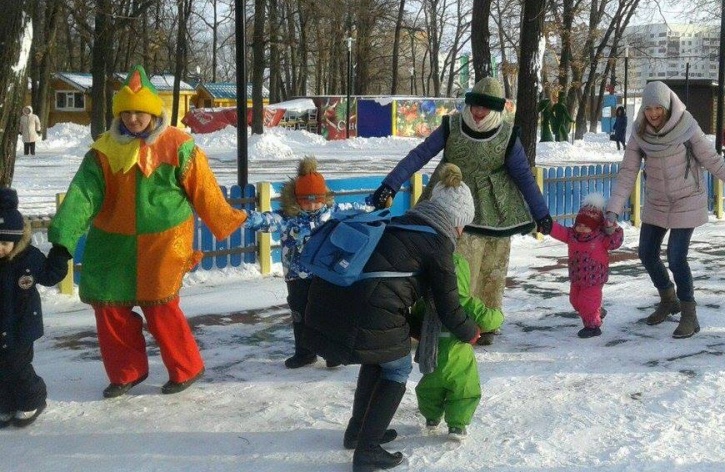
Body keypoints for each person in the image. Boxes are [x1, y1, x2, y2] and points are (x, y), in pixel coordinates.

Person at [48, 65, 247, 398]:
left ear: (154, 113)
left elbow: (204, 190)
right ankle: (127, 371)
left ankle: (187, 366)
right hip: (112, 240)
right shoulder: (103, 150)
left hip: (164, 238)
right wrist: (63, 240)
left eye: (140, 112)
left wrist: (227, 219)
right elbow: (83, 194)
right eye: (126, 113)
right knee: (109, 306)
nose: (133, 119)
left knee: (160, 306)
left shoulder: (179, 145)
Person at [303, 163, 480, 472]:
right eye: (463, 225)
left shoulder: (402, 222)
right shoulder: (437, 244)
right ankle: (368, 449)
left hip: (338, 300)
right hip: (368, 307)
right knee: (397, 367)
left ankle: (359, 431)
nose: (461, 233)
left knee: (380, 359)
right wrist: (469, 332)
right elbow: (448, 306)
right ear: (455, 221)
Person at [368, 77, 551, 345]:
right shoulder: (452, 126)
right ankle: (441, 318)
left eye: (485, 108)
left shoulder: (507, 134)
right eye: (475, 105)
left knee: (491, 268)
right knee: (454, 265)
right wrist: (390, 184)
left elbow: (523, 174)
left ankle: (486, 323)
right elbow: (420, 154)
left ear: (496, 110)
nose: (478, 112)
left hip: (495, 208)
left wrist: (541, 212)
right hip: (451, 203)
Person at [607, 81, 725, 338]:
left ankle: (689, 314)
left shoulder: (688, 127)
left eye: (658, 108)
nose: (653, 114)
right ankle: (668, 299)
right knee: (647, 253)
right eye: (648, 108)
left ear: (668, 106)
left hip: (687, 199)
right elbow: (628, 172)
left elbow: (713, 161)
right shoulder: (640, 132)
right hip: (658, 200)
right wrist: (613, 210)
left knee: (676, 256)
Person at [245, 155, 337, 369]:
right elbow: (266, 220)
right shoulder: (287, 219)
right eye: (307, 200)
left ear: (324, 198)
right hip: (296, 276)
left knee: (327, 313)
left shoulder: (331, 215)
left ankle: (332, 351)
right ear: (297, 199)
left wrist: (374, 205)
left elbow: (356, 210)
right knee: (300, 314)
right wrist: (242, 218)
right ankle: (305, 353)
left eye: (317, 199)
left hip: (324, 274)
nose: (313, 205)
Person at [0, 188, 71, 428]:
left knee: (18, 366)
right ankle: (6, 404)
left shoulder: (28, 258)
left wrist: (60, 253)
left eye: (4, 242)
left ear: (17, 240)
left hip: (21, 326)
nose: (0, 248)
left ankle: (33, 399)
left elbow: (50, 275)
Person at [414, 252, 504, 440]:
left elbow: (415, 320)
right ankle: (457, 425)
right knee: (464, 389)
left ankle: (431, 416)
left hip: (431, 353)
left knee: (429, 387)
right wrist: (499, 315)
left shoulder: (426, 302)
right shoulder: (466, 302)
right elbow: (489, 320)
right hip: (459, 354)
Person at [549, 194, 624, 338]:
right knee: (575, 301)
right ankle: (597, 312)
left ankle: (593, 327)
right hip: (577, 276)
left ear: (595, 227)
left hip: (595, 278)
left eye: (587, 226)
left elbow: (615, 242)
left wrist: (615, 229)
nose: (582, 229)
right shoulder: (572, 235)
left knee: (586, 303)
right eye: (579, 225)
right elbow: (559, 231)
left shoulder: (601, 238)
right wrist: (548, 226)